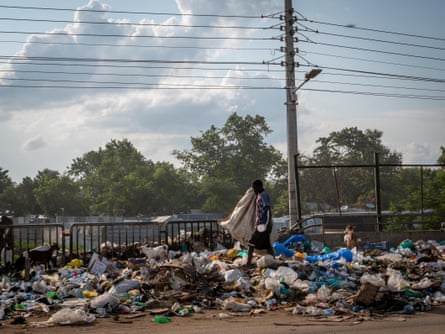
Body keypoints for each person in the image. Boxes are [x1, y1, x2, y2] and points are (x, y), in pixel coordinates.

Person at [246, 179, 274, 266]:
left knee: (251, 243)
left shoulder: (263, 195)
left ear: (259, 187)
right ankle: (274, 261)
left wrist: (267, 223)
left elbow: (267, 209)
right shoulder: (259, 195)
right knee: (267, 245)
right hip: (263, 224)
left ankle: (248, 263)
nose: (254, 190)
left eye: (255, 188)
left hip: (262, 224)